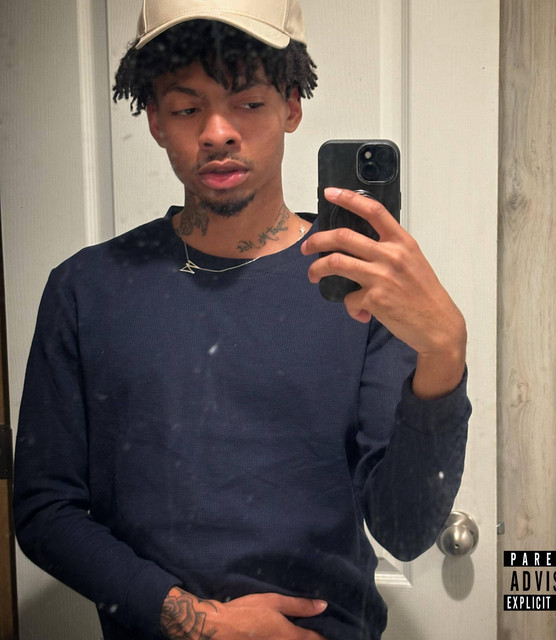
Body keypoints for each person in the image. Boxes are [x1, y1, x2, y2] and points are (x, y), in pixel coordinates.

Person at [13, 1, 471, 639]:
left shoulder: (360, 285)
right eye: (186, 108)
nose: (218, 132)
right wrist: (198, 622)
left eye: (248, 102)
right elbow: (45, 510)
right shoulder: (85, 290)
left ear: (291, 106)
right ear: (154, 119)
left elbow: (405, 527)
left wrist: (444, 355)